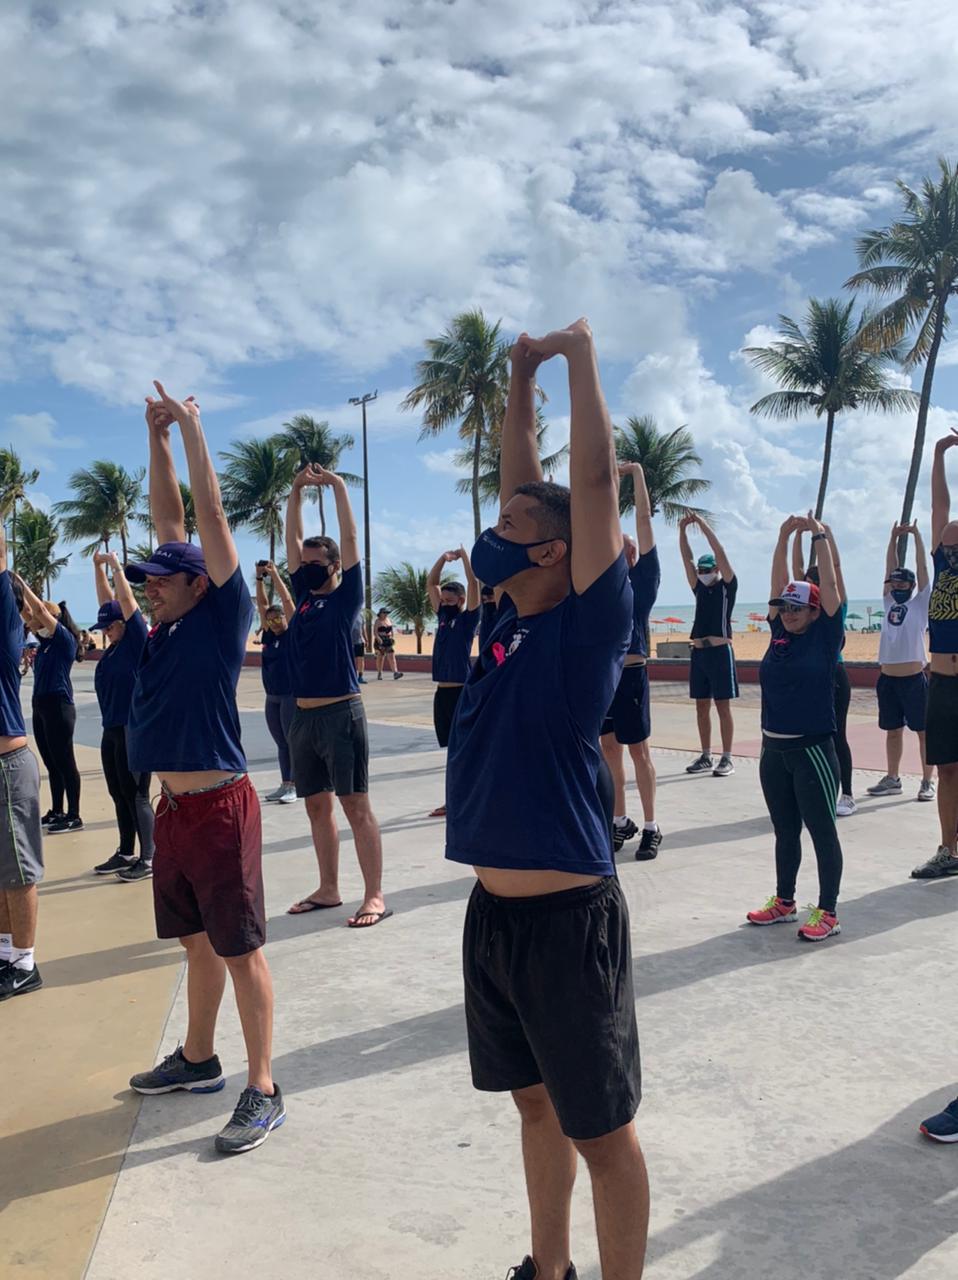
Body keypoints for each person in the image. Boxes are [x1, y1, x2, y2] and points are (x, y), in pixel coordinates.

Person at [446, 320, 648, 1280]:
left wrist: (576, 356)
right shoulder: (505, 621)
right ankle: (550, 1267)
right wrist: (518, 377)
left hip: (569, 925)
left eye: (511, 532)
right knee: (533, 1106)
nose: (492, 535)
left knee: (601, 1132)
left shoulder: (582, 631)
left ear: (557, 556)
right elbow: (525, 489)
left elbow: (591, 490)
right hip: (492, 921)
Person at [125, 382, 284, 1156]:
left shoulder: (219, 619)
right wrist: (153, 438)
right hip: (174, 814)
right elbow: (168, 523)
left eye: (160, 577)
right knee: (196, 944)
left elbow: (204, 521)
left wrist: (192, 430)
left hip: (220, 806)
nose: (147, 586)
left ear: (198, 583)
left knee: (240, 948)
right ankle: (198, 1058)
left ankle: (263, 1088)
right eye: (145, 577)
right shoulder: (163, 624)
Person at [284, 463, 390, 927]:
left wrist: (340, 488)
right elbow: (291, 540)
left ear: (331, 566)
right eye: (301, 564)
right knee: (315, 806)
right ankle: (329, 888)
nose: (305, 570)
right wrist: (294, 492)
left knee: (355, 805)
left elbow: (349, 540)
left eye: (314, 565)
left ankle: (374, 895)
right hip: (302, 717)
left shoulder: (346, 597)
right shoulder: (303, 598)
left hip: (342, 713)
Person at [747, 515, 845, 942]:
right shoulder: (777, 635)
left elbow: (834, 588)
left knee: (821, 831)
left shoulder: (825, 637)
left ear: (814, 610)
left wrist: (818, 536)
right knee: (784, 830)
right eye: (785, 607)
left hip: (812, 751)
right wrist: (784, 536)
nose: (788, 613)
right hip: (774, 751)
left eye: (797, 608)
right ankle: (784, 901)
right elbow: (776, 583)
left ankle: (828, 911)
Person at [601, 462, 662, 859]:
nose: (617, 549)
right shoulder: (604, 583)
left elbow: (642, 518)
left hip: (634, 674)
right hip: (605, 675)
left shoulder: (643, 578)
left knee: (639, 751)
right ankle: (620, 820)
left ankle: (652, 826)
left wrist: (636, 473)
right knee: (609, 750)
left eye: (624, 545)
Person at [90, 552, 154, 881]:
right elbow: (108, 602)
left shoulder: (135, 642)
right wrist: (97, 568)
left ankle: (149, 857)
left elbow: (125, 603)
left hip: (135, 729)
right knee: (118, 793)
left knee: (138, 794)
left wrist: (115, 566)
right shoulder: (114, 647)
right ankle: (126, 850)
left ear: (122, 625)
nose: (105, 632)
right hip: (112, 728)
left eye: (109, 626)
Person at [911, 430, 958, 880]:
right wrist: (941, 453)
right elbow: (937, 509)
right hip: (941, 680)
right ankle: (948, 849)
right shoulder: (943, 563)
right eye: (945, 542)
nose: (949, 544)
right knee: (946, 768)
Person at [0, 527, 44, 1001]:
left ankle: (25, 963)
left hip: (8, 767)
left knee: (18, 870)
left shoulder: (5, 625)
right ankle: (7, 954)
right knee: (1, 872)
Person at [864, 523, 935, 805]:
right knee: (892, 731)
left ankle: (928, 781)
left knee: (923, 732)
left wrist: (917, 537)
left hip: (913, 678)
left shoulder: (920, 603)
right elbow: (888, 568)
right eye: (894, 584)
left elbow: (923, 568)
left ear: (912, 586)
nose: (897, 587)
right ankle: (892, 778)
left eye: (902, 583)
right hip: (888, 678)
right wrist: (892, 538)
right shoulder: (888, 601)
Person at [792, 521, 856, 816]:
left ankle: (847, 794)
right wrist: (793, 536)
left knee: (836, 735)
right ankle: (816, 789)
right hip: (809, 676)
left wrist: (826, 536)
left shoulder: (834, 606)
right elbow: (795, 573)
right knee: (811, 735)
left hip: (835, 676)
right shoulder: (805, 606)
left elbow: (839, 570)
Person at [678, 514, 737, 778]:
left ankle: (727, 757)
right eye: (701, 571)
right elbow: (686, 560)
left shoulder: (727, 587)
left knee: (722, 706)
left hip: (720, 652)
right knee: (701, 705)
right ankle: (705, 754)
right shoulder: (698, 588)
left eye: (708, 570)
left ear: (716, 570)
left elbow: (720, 553)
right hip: (699, 653)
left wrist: (703, 527)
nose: (703, 574)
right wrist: (682, 531)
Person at [20, 590, 83, 833]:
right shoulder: (44, 644)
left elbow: (41, 611)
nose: (35, 627)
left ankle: (74, 815)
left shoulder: (64, 640)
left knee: (66, 762)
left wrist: (22, 583)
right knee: (52, 763)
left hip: (59, 706)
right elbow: (28, 612)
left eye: (39, 623)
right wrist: (10, 585)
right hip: (41, 705)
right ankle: (58, 810)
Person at [426, 548, 480, 819]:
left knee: (462, 751)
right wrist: (443, 559)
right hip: (442, 693)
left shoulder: (468, 618)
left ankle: (464, 799)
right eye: (443, 599)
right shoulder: (443, 618)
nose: (445, 602)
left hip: (462, 691)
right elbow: (431, 583)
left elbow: (473, 584)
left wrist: (465, 558)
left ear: (460, 600)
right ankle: (454, 801)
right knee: (450, 751)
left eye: (450, 599)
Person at [255, 560, 297, 805]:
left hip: (290, 694)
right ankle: (285, 783)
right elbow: (262, 604)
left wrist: (276, 576)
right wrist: (259, 579)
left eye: (277, 618)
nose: (272, 623)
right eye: (269, 620)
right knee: (281, 743)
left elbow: (288, 601)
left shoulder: (293, 633)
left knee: (292, 740)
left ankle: (295, 784)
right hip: (272, 697)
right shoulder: (269, 635)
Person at [373, 608, 402, 680]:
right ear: (380, 613)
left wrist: (392, 637)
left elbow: (391, 630)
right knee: (381, 657)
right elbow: (375, 632)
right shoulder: (377, 621)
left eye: (387, 613)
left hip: (388, 640)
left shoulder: (388, 620)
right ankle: (379, 672)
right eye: (384, 613)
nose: (386, 614)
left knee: (391, 656)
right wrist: (379, 639)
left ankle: (395, 672)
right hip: (380, 640)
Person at [478, 583, 498, 650]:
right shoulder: (485, 619)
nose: (487, 602)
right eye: (484, 600)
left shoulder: (506, 619)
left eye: (490, 598)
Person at [352, 614, 367, 683]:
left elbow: (363, 629)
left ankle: (360, 677)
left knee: (361, 659)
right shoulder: (348, 614)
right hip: (350, 642)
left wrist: (366, 639)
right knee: (353, 660)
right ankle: (353, 677)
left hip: (360, 641)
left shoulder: (361, 616)